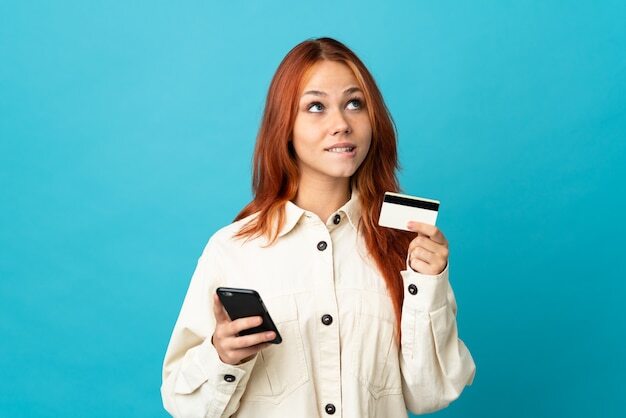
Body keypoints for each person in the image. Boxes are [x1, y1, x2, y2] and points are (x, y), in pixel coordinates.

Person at [161, 37, 476, 418]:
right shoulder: (233, 250)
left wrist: (429, 284)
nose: (341, 124)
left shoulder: (405, 244)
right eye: (316, 107)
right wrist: (223, 356)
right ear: (285, 126)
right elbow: (186, 406)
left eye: (354, 104)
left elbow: (431, 394)